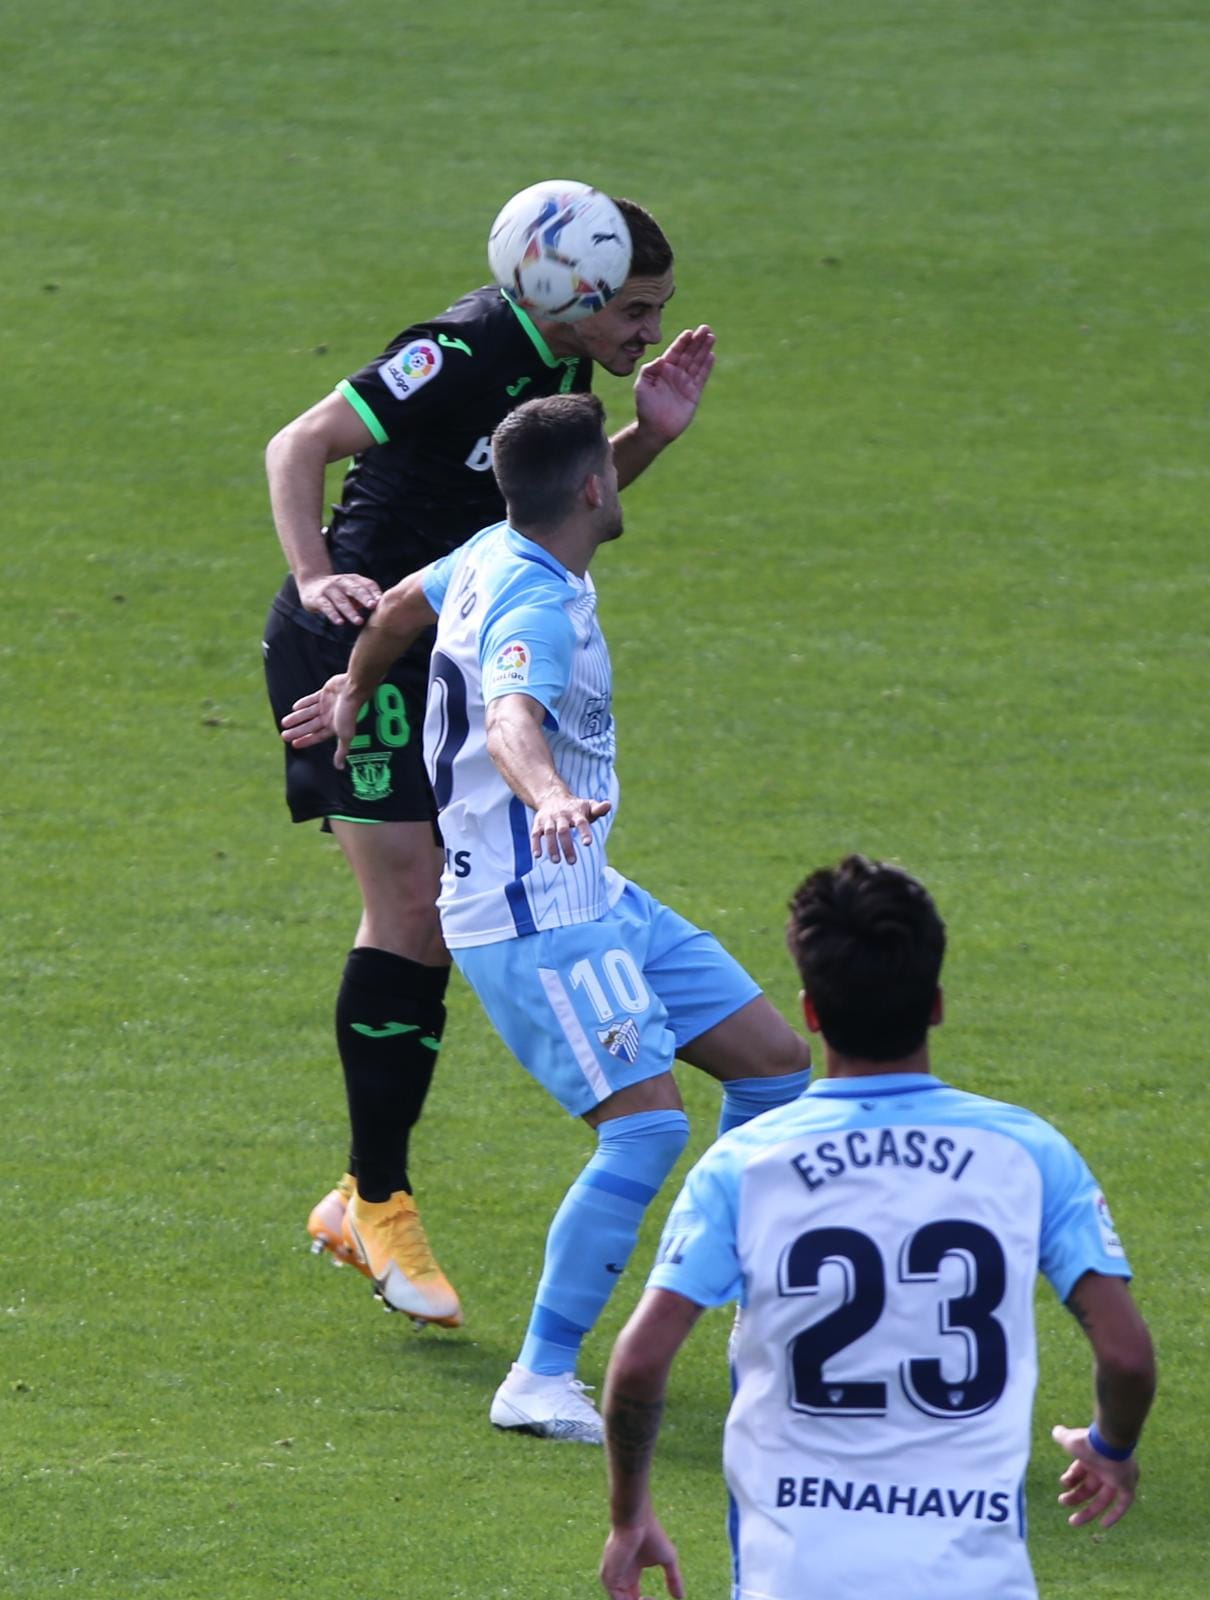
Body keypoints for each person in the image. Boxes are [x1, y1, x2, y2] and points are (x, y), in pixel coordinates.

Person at [281, 392, 812, 1439]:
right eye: (615, 467)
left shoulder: (486, 547)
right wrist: (548, 793)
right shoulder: (532, 606)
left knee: (774, 1066)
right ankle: (537, 1377)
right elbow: (513, 716)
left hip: (590, 891)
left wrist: (353, 687)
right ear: (591, 489)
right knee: (647, 1127)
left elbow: (394, 609)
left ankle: (736, 1295)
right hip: (530, 908)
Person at [262, 191, 718, 1328]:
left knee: (440, 919)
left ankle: (364, 1195)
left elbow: (555, 514)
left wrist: (648, 434)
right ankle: (374, 1199)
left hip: (447, 641)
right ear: (576, 288)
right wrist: (318, 574)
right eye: (639, 312)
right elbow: (299, 443)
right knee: (412, 912)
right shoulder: (462, 349)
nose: (646, 334)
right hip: (356, 641)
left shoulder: (564, 383)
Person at [599, 854, 1156, 1600]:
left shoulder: (746, 1164)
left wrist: (630, 1515)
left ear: (810, 1012)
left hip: (797, 1578)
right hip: (971, 1581)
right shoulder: (1029, 1154)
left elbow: (638, 1365)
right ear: (936, 1004)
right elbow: (1125, 1357)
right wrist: (1110, 1446)